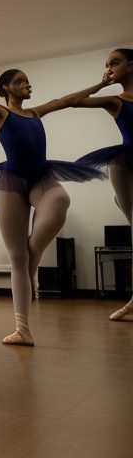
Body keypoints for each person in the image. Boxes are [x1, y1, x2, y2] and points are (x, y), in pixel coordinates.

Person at [0, 68, 106, 342]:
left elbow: (65, 100)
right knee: (17, 257)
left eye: (27, 80)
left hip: (41, 177)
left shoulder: (36, 113)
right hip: (11, 182)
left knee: (60, 200)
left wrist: (99, 85)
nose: (28, 85)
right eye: (20, 81)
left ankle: (34, 256)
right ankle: (22, 329)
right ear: (6, 88)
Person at [73, 48, 133, 321]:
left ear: (131, 65)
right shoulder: (117, 101)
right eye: (106, 64)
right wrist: (101, 84)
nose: (109, 67)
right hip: (124, 162)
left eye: (115, 62)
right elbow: (74, 101)